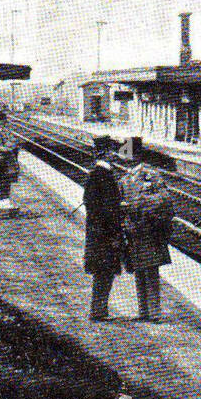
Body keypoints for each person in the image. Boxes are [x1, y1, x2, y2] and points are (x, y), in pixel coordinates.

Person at [120, 164, 174, 322]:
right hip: (135, 235)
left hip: (148, 235)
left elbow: (164, 203)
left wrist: (140, 203)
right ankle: (144, 312)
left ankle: (153, 313)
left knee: (149, 274)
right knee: (140, 273)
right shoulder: (125, 179)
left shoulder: (152, 177)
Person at [83, 137, 126, 321]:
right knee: (104, 273)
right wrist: (115, 233)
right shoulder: (105, 176)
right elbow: (108, 210)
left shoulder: (94, 175)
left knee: (102, 273)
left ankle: (99, 310)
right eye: (111, 150)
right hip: (105, 235)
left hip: (97, 234)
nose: (114, 154)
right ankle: (98, 311)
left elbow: (92, 204)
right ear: (106, 153)